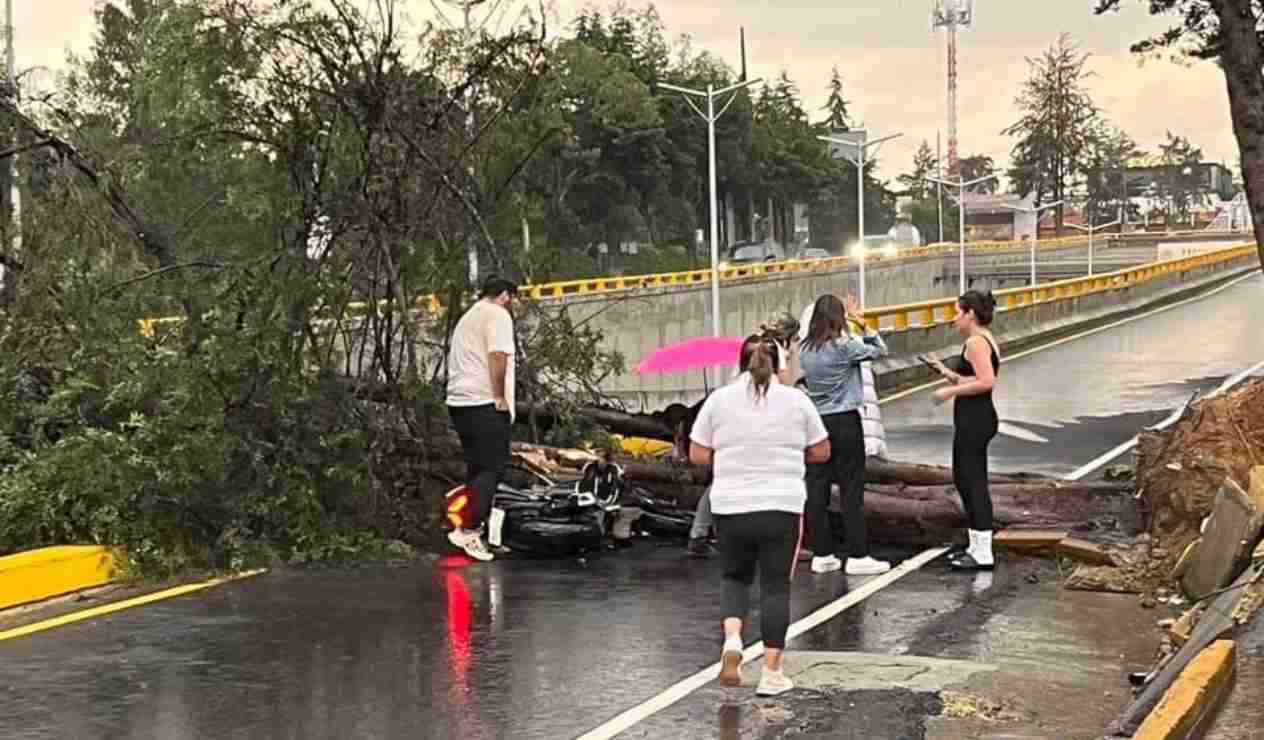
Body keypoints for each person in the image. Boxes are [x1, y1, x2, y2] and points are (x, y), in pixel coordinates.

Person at [690, 339, 830, 697]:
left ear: (741, 365)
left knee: (734, 578)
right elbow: (821, 449)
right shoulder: (797, 401)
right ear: (779, 363)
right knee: (775, 585)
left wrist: (734, 452)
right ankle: (770, 673)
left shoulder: (719, 400)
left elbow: (698, 453)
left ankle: (733, 639)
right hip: (781, 507)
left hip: (730, 508)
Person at [799, 294, 891, 576]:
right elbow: (880, 350)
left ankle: (822, 553)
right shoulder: (845, 346)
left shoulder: (805, 349)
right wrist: (862, 323)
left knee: (817, 488)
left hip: (816, 423)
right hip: (845, 422)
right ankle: (857, 554)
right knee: (851, 489)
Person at [685, 335, 794, 558]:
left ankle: (700, 534)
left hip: (729, 445)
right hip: (752, 445)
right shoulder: (772, 385)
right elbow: (786, 388)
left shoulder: (730, 385)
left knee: (721, 485)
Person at [445, 275, 519, 562]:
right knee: (494, 468)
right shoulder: (497, 314)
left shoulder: (468, 316)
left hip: (460, 402)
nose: (512, 305)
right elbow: (497, 356)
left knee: (477, 469)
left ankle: (478, 529)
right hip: (484, 402)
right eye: (512, 299)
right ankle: (469, 529)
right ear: (504, 295)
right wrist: (499, 395)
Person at [928, 290, 1001, 571]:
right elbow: (974, 377)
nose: (954, 318)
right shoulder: (980, 339)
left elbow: (986, 382)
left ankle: (984, 551)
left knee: (974, 482)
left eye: (957, 312)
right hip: (975, 418)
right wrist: (947, 373)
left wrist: (949, 392)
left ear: (970, 314)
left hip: (976, 419)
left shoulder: (976, 342)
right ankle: (975, 544)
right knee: (964, 479)